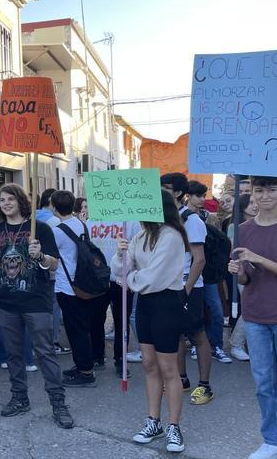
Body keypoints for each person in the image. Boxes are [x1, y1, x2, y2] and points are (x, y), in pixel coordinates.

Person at [0, 184, 73, 429]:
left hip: (37, 302)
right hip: (7, 302)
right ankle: (20, 397)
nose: (6, 203)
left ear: (21, 201)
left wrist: (41, 255)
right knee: (13, 354)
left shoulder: (40, 228)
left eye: (10, 199)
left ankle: (58, 403)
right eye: (2, 200)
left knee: (45, 353)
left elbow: (53, 264)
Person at [228, 176, 277, 459]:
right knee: (264, 383)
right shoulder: (243, 230)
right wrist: (239, 270)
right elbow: (247, 278)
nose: (265, 195)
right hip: (255, 315)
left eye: (271, 189)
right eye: (259, 190)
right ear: (253, 195)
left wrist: (257, 258)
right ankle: (271, 439)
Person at [114, 189, 190, 453]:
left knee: (168, 367)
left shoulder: (171, 236)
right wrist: (121, 253)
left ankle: (173, 425)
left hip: (166, 303)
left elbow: (152, 278)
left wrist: (129, 280)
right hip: (145, 303)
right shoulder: (139, 235)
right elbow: (120, 269)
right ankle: (153, 421)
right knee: (148, 364)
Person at [161, 173, 214, 405]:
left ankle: (205, 386)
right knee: (176, 335)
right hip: (168, 286)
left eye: (166, 188)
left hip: (189, 287)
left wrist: (186, 290)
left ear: (179, 193)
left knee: (197, 335)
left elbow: (199, 259)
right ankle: (182, 379)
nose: (161, 191)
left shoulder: (191, 220)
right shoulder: (164, 217)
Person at [50, 190, 101, 388]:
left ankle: (86, 372)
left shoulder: (57, 231)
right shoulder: (81, 224)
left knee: (75, 330)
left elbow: (51, 258)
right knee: (81, 328)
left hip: (67, 286)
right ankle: (82, 366)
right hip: (83, 282)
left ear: (54, 207)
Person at [185, 181, 232, 365]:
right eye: (199, 195)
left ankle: (216, 346)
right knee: (194, 310)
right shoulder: (182, 217)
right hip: (191, 270)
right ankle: (196, 343)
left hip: (210, 272)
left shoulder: (209, 217)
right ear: (188, 196)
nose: (202, 199)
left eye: (204, 196)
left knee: (216, 310)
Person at [88, 220, 142, 377]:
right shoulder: (92, 220)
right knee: (95, 319)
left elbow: (136, 249)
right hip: (98, 278)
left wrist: (132, 276)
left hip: (121, 279)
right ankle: (97, 355)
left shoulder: (131, 222)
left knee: (121, 322)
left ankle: (120, 359)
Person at [226, 194, 258, 362]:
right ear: (242, 207)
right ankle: (236, 344)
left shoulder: (261, 223)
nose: (255, 205)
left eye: (255, 202)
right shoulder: (235, 226)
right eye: (251, 203)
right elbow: (234, 251)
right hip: (243, 269)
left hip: (261, 271)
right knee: (249, 308)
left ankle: (244, 343)